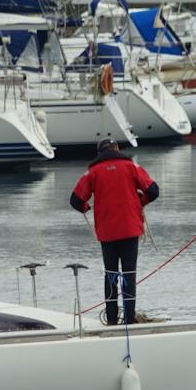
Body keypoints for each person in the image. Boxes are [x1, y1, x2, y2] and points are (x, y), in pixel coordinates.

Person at [69, 138, 159, 325]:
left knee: (111, 275)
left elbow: (76, 200)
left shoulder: (93, 172)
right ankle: (129, 319)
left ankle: (111, 320)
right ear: (117, 149)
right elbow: (153, 190)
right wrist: (140, 202)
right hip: (130, 228)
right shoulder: (131, 167)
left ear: (99, 152)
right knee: (129, 274)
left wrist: (87, 208)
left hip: (107, 232)